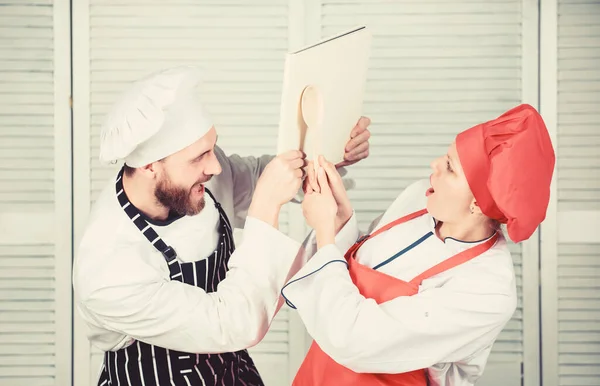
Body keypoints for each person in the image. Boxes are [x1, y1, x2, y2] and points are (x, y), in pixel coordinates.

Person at [72, 66, 372, 386]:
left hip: (231, 372)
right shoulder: (107, 269)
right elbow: (232, 325)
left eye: (212, 147)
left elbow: (261, 176)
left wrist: (327, 155)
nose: (214, 166)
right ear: (149, 166)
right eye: (199, 157)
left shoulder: (195, 179)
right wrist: (266, 206)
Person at [282, 104, 555, 386]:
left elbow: (356, 340)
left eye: (450, 167)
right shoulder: (419, 198)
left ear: (478, 203)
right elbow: (361, 261)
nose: (434, 164)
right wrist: (340, 218)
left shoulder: (488, 289)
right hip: (317, 375)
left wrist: (325, 231)